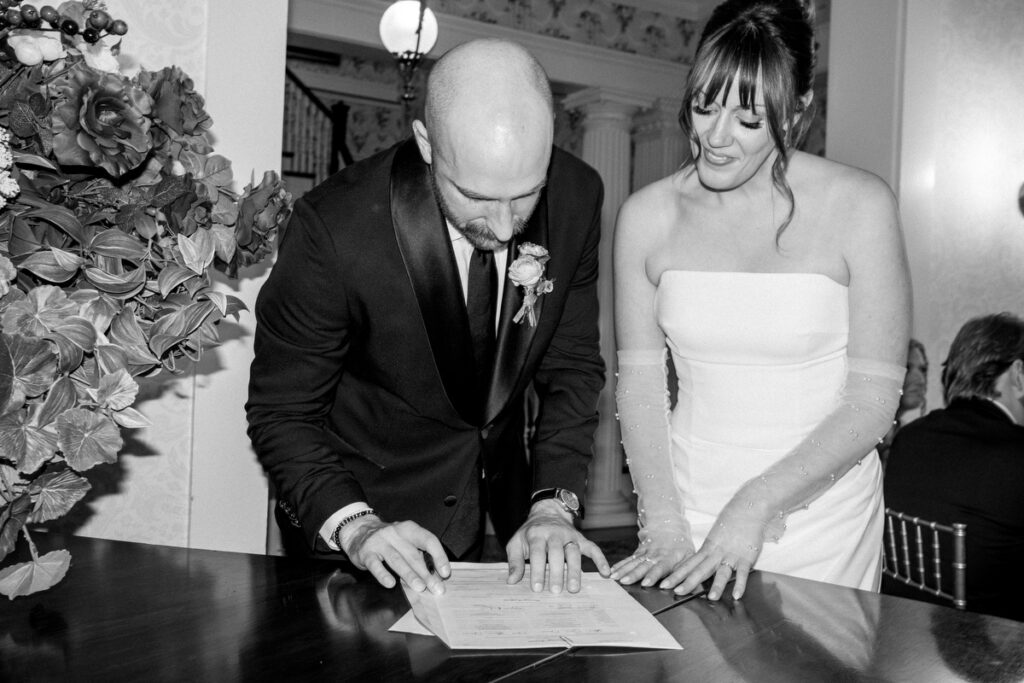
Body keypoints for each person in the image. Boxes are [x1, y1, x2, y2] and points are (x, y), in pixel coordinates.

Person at [246, 38, 610, 596]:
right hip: (365, 521)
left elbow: (573, 369)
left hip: (494, 509)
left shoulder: (578, 197)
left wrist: (552, 505)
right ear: (426, 144)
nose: (506, 228)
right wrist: (357, 526)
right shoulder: (334, 228)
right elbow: (282, 411)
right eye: (477, 197)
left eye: (526, 195)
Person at [609, 0, 911, 602]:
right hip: (687, 507)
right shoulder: (645, 216)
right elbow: (640, 388)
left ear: (796, 111)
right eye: (704, 106)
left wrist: (755, 503)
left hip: (821, 517)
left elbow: (874, 402)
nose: (715, 138)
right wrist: (663, 522)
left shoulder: (861, 206)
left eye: (748, 119)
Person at [884, 313, 1024, 621]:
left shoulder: (910, 438)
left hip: (902, 623)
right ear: (1018, 374)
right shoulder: (1014, 453)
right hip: (995, 638)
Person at [878, 338, 929, 468]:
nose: (920, 380)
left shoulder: (908, 436)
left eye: (923, 370)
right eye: (907, 368)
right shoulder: (864, 433)